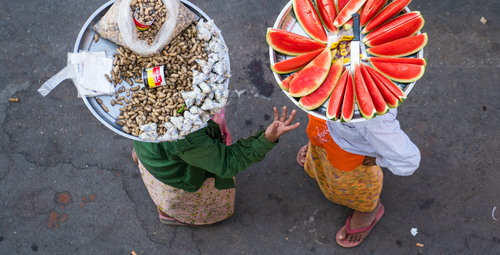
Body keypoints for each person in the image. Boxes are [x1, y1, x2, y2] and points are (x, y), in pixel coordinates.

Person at [132, 106, 299, 226]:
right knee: (183, 201)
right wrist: (265, 141)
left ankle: (140, 156)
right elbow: (227, 162)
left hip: (152, 153)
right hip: (183, 173)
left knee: (157, 160)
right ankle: (172, 214)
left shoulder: (151, 97)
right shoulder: (186, 135)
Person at [297, 109, 420, 248]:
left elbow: (409, 161)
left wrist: (377, 160)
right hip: (323, 137)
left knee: (356, 189)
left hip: (351, 164)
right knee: (322, 147)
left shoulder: (372, 121)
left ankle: (369, 209)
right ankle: (321, 147)